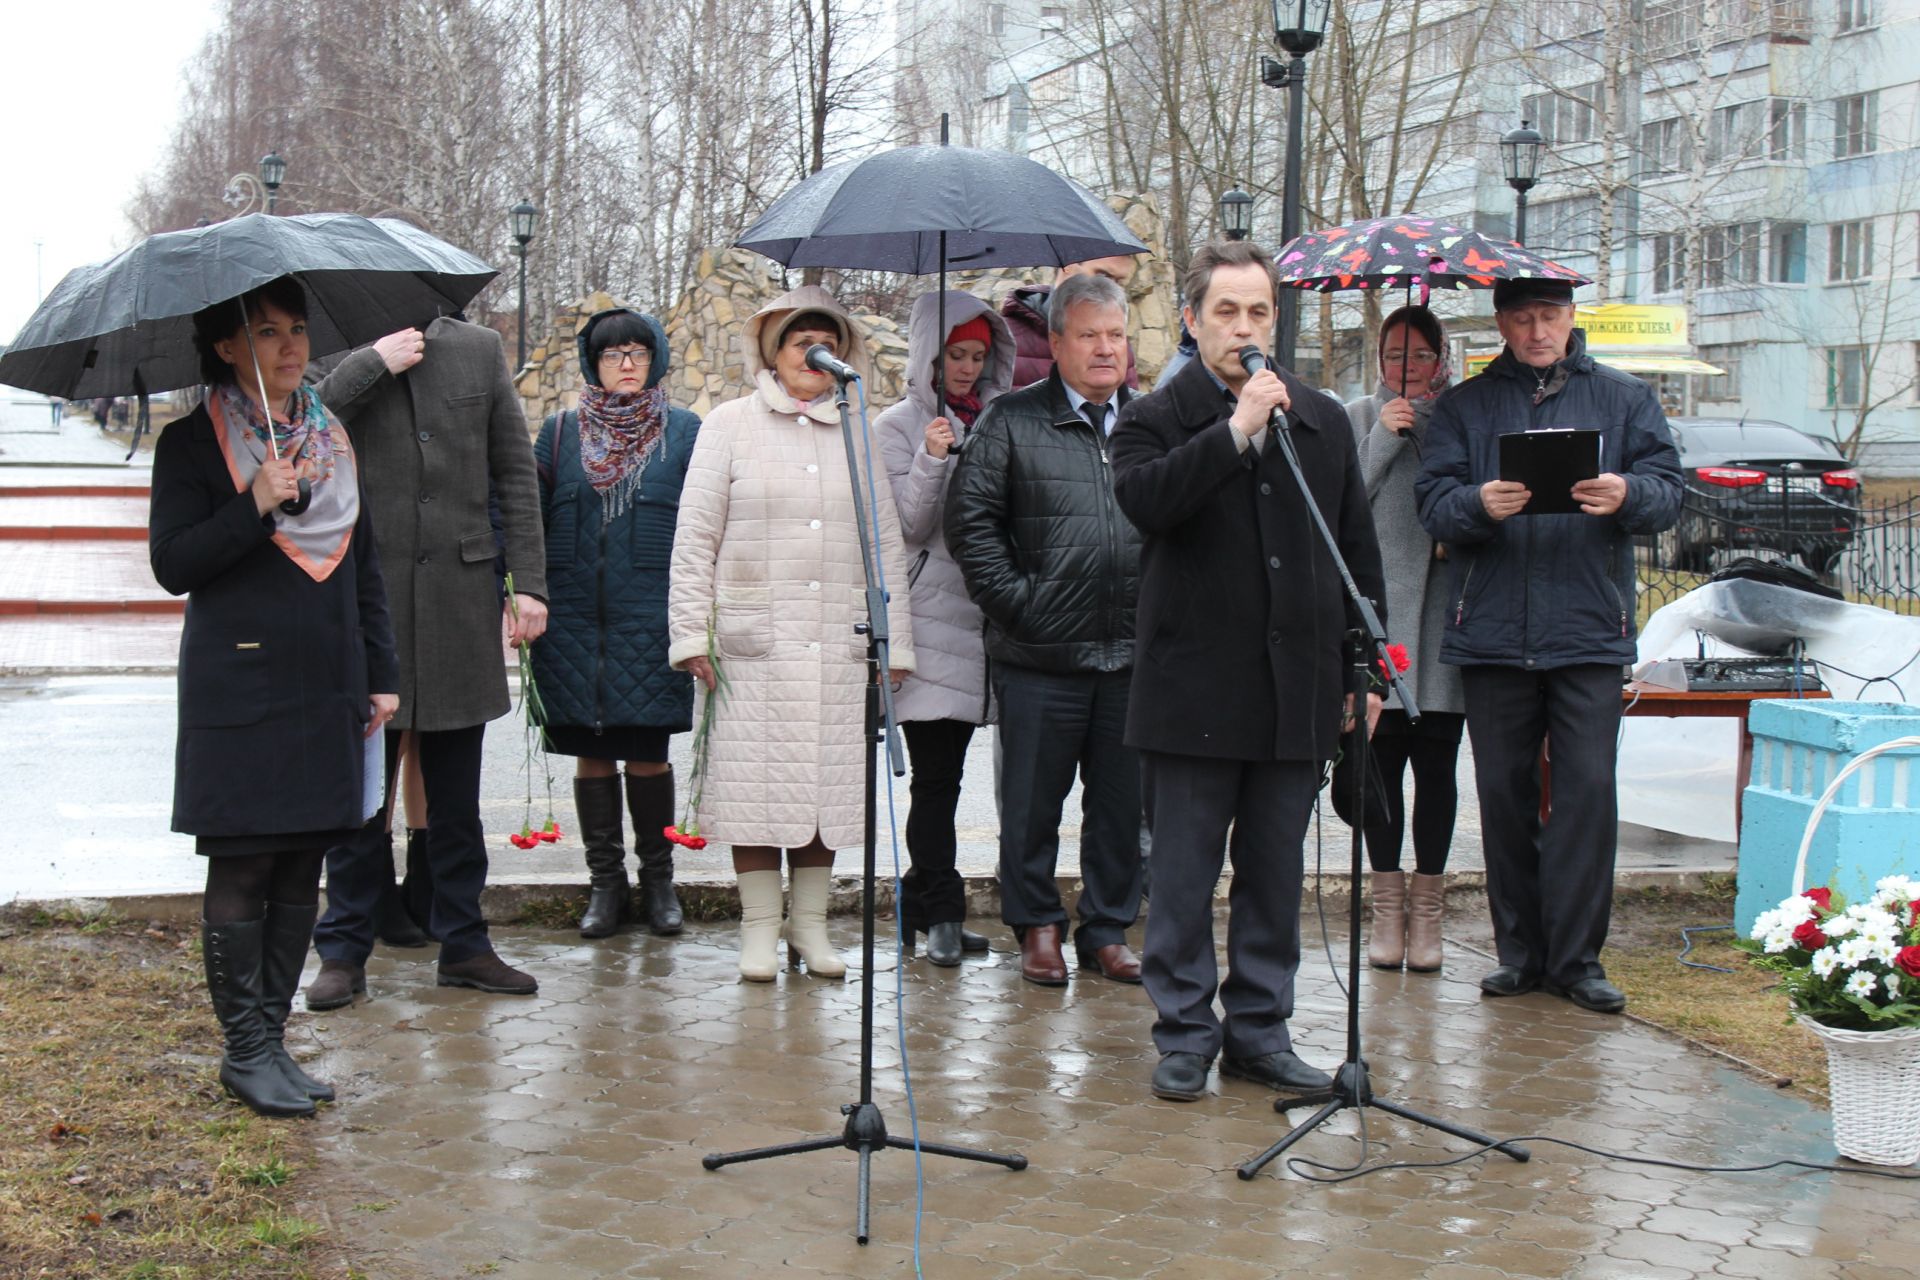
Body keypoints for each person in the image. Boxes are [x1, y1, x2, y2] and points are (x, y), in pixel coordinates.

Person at [1109, 238, 1385, 1102]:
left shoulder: (1323, 419)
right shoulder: (1154, 417)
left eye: (1259, 310)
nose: (1244, 326)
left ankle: (1261, 1031)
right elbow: (1146, 505)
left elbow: (1355, 554)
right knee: (1185, 880)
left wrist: (1365, 671)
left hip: (1293, 694)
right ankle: (1186, 1032)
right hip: (1191, 694)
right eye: (1225, 311)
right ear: (1192, 321)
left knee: (1274, 876)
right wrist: (1235, 432)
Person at [150, 277, 398, 1117]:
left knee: (303, 863)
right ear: (227, 347)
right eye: (267, 333)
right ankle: (244, 1050)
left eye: (297, 331)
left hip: (328, 680)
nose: (291, 348)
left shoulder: (331, 440)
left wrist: (382, 673)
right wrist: (253, 504)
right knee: (245, 861)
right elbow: (174, 565)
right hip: (243, 682)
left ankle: (274, 1039)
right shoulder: (193, 443)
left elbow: (362, 566)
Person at [1415, 277, 1682, 1015]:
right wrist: (1477, 503)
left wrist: (1629, 494)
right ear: (1502, 323)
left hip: (1588, 631)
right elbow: (1432, 503)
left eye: (1551, 317)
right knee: (1502, 795)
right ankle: (1520, 955)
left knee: (1588, 793)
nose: (1538, 331)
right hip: (1494, 631)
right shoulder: (1466, 407)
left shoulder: (1626, 399)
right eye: (1524, 318)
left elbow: (1669, 489)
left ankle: (1577, 960)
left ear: (1572, 318)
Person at [668, 285, 915, 981]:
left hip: (841, 642)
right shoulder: (729, 424)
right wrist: (691, 634)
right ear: (772, 354)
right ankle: (756, 929)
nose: (816, 355)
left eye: (828, 343)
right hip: (752, 645)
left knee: (824, 791)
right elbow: (694, 538)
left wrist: (895, 647)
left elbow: (885, 543)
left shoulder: (857, 429)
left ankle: (809, 928)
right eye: (801, 343)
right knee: (754, 792)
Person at [304, 316, 549, 1006]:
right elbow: (303, 436)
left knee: (456, 799)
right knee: (361, 796)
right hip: (366, 599)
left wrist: (527, 581)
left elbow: (513, 472)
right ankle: (344, 948)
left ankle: (465, 944)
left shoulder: (477, 349)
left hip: (459, 599)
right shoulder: (335, 351)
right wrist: (371, 362)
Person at [945, 271, 1143, 988]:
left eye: (1115, 335)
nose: (1103, 349)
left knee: (1122, 809)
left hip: (1131, 655)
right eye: (1088, 334)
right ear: (1055, 341)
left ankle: (1110, 929)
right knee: (1031, 806)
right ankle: (1037, 925)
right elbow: (970, 527)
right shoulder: (1009, 420)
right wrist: (1023, 607)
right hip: (1038, 655)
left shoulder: (1149, 423)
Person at [532, 307, 700, 938]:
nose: (625, 365)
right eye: (610, 355)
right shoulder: (558, 434)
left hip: (650, 619)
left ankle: (659, 885)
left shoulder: (684, 433)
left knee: (648, 754)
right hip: (573, 622)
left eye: (635, 352)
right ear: (593, 364)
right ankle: (605, 886)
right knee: (591, 754)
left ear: (654, 358)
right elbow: (530, 518)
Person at [874, 292, 1016, 966]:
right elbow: (905, 525)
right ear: (931, 357)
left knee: (950, 778)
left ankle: (919, 901)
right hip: (926, 621)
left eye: (978, 356)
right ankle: (945, 912)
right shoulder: (898, 426)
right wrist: (934, 458)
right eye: (955, 355)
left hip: (983, 617)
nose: (966, 368)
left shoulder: (998, 419)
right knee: (936, 781)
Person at [1345, 304, 1467, 973]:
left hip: (1442, 619)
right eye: (1396, 354)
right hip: (1381, 622)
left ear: (1441, 360)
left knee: (1439, 770)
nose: (1408, 367)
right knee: (1379, 771)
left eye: (1421, 355)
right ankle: (1386, 911)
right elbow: (1340, 501)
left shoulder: (1460, 416)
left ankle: (1428, 915)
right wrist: (1387, 436)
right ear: (1379, 358)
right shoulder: (1358, 416)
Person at [1000, 256, 1142, 389]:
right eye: (1103, 276)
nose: (1110, 289)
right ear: (1067, 265)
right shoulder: (1004, 337)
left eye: (1119, 282)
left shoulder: (1116, 344)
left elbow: (1130, 411)